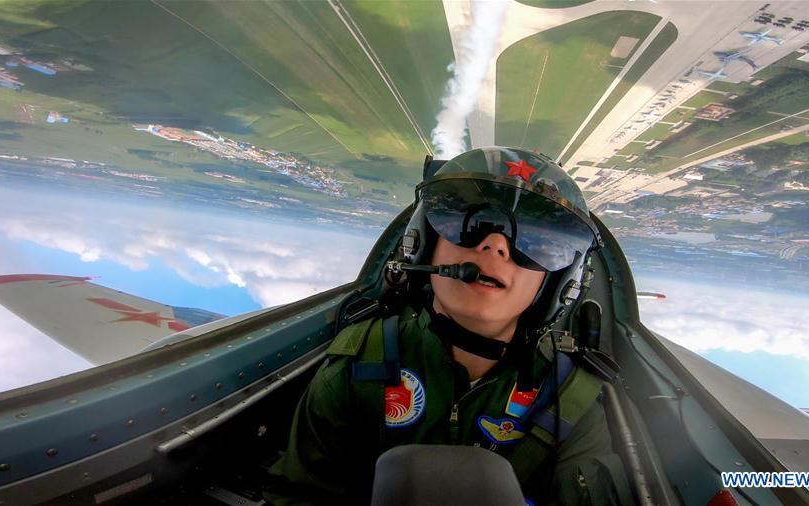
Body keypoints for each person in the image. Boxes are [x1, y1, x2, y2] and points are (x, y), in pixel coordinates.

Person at [264, 147, 625, 505]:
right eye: (468, 223)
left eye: (535, 242)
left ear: (557, 283)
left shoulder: (569, 399)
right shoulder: (360, 363)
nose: (494, 245)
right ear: (424, 244)